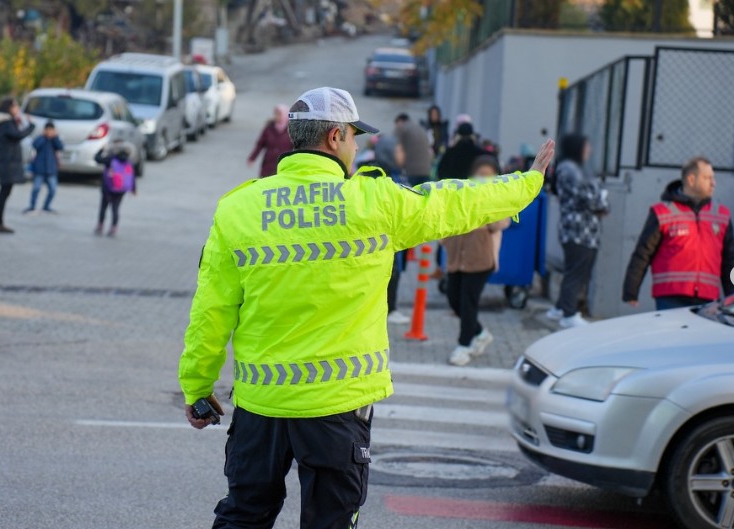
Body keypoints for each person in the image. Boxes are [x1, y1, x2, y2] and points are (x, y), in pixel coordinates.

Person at [178, 85, 554, 529]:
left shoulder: (237, 208)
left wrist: (197, 387)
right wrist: (526, 182)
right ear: (335, 137)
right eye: (354, 136)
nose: (357, 147)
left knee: (243, 516)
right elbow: (455, 200)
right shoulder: (374, 202)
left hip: (262, 407)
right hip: (338, 409)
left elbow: (211, 310)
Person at [622, 157, 734, 310]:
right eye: (707, 178)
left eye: (713, 178)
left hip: (708, 300)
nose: (713, 182)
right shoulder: (662, 212)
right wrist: (631, 291)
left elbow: (730, 259)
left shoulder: (722, 215)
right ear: (691, 179)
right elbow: (643, 253)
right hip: (670, 298)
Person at [440, 155, 510, 366]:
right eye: (480, 175)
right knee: (454, 299)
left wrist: (487, 202)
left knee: (468, 303)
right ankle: (480, 333)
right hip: (457, 257)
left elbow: (501, 223)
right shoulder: (462, 193)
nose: (483, 179)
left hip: (480, 259)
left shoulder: (497, 199)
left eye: (489, 176)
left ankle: (464, 346)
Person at [546, 134, 609, 327]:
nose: (589, 150)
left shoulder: (572, 169)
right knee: (576, 272)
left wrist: (600, 198)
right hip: (578, 232)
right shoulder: (570, 170)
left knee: (576, 271)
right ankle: (569, 315)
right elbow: (590, 198)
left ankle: (560, 308)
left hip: (583, 232)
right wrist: (603, 197)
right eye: (586, 146)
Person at [356, 132, 410, 325]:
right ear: (389, 152)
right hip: (382, 235)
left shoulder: (394, 172)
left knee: (395, 272)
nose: (403, 154)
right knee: (389, 272)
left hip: (394, 234)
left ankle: (390, 307)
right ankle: (388, 308)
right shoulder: (378, 174)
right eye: (399, 150)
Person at [0, 98, 35, 234]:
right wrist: (31, 126)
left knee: (4, 192)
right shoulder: (6, 123)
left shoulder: (5, 122)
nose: (18, 109)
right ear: (9, 108)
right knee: (3, 192)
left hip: (6, 161)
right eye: (15, 107)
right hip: (7, 162)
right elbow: (17, 135)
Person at [94, 141, 137, 237]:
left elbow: (97, 159)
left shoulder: (110, 159)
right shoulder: (129, 162)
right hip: (120, 190)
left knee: (103, 208)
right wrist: (133, 189)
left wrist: (101, 149)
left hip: (107, 189)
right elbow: (132, 176)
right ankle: (113, 228)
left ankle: (100, 226)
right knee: (115, 209)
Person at [25, 121, 63, 214]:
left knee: (52, 190)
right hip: (39, 168)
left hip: (51, 169)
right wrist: (43, 136)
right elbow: (35, 145)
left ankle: (46, 206)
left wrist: (55, 137)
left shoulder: (55, 140)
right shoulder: (41, 138)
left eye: (51, 130)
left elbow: (60, 147)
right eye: (48, 130)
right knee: (36, 188)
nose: (49, 132)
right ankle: (32, 206)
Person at [247, 104, 293, 178]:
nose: (276, 116)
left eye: (279, 114)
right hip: (268, 166)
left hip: (284, 166)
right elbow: (260, 144)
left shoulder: (291, 130)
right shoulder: (269, 128)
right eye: (276, 114)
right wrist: (252, 158)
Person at [394, 113, 433, 186]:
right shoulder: (421, 128)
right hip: (427, 170)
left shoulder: (401, 128)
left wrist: (398, 168)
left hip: (412, 171)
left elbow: (399, 151)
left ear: (400, 121)